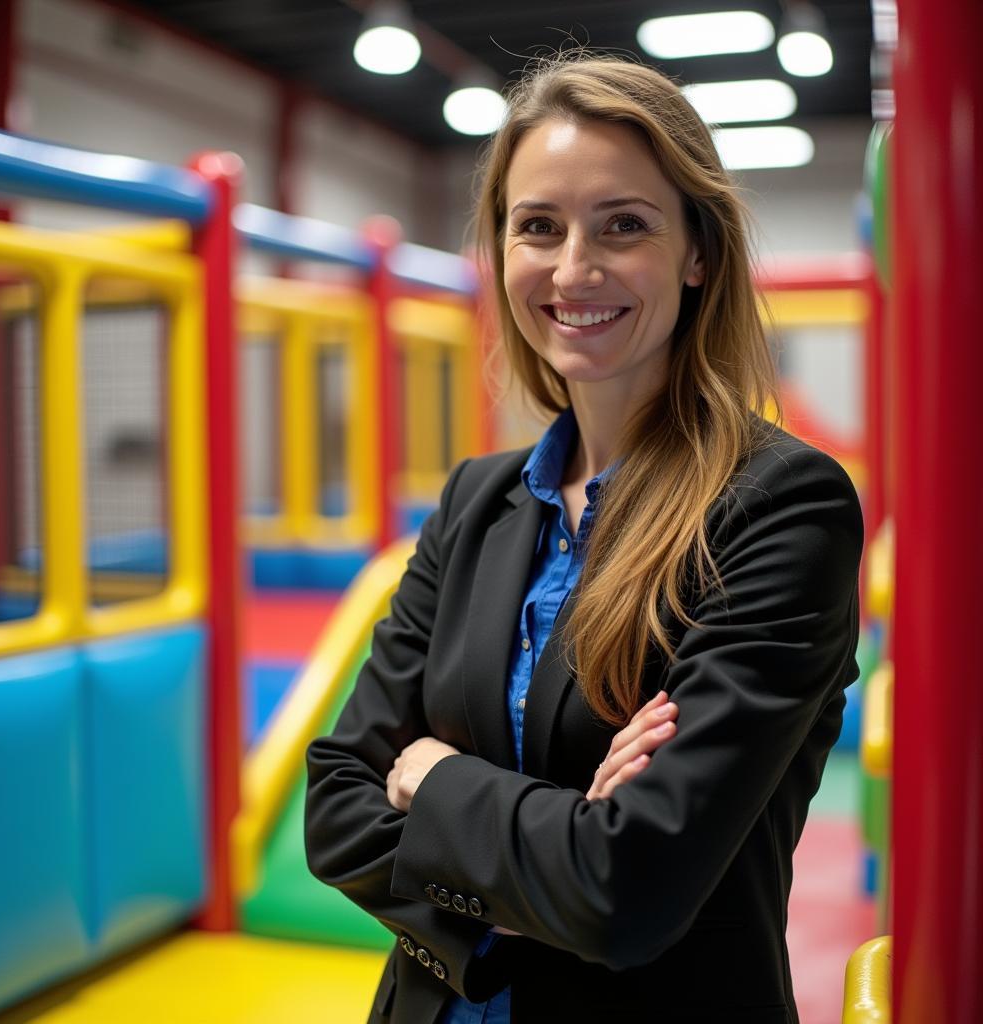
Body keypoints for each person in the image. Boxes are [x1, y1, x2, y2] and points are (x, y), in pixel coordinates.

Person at [305, 52, 862, 1024]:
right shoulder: (478, 501)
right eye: (537, 227)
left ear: (697, 253)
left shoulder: (778, 507)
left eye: (623, 225)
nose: (572, 267)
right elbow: (335, 804)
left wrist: (436, 779)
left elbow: (624, 891)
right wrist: (541, 860)